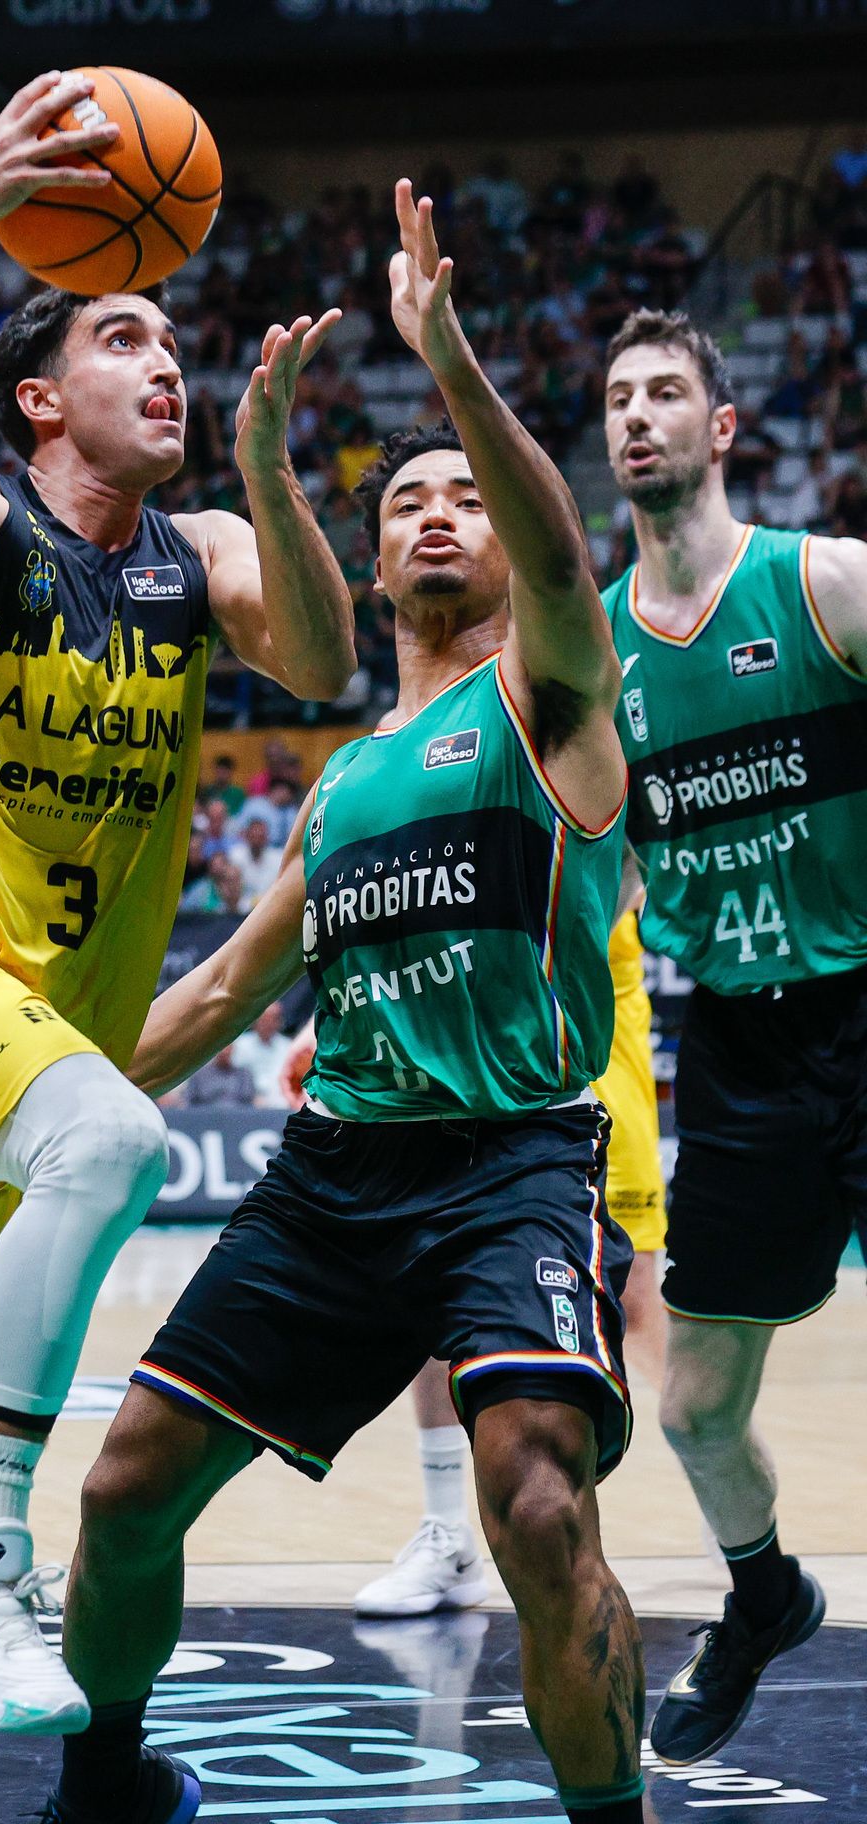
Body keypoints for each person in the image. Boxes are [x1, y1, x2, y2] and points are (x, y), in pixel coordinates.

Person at [0, 68, 355, 1824]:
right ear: (39, 397)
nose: (164, 357)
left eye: (171, 339)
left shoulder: (198, 551)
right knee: (113, 1137)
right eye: (124, 336)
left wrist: (265, 459)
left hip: (16, 1063)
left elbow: (324, 663)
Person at [48, 182, 644, 1824]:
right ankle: (106, 1776)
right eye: (414, 503)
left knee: (533, 1506)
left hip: (512, 1152)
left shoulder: (554, 690)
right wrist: (34, 1097)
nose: (445, 513)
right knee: (123, 1489)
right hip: (334, 1176)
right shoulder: (338, 790)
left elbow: (564, 552)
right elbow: (226, 988)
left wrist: (442, 356)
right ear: (371, 561)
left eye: (469, 496)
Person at [601, 306, 867, 1763]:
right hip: (740, 1056)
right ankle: (763, 1597)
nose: (639, 416)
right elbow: (590, 872)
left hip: (865, 998)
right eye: (620, 399)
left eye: (667, 394)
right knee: (696, 1408)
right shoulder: (592, 658)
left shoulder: (823, 587)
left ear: (723, 426)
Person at [276, 893, 668, 1620]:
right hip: (464, 1066)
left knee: (638, 1305)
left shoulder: (572, 795)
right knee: (433, 1271)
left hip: (585, 1063)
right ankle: (448, 1535)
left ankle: (732, 1523)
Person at [231, 1000, 293, 1108]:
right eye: (264, 1019)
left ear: (279, 1022)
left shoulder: (288, 1047)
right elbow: (232, 1076)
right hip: (244, 1099)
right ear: (255, 1020)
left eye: (273, 1019)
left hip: (280, 1100)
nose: (268, 1024)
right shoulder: (239, 1045)